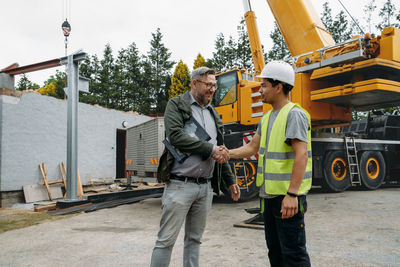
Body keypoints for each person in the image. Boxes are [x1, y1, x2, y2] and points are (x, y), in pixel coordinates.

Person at [151, 67, 241, 267]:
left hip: (205, 188)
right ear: (194, 83)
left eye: (214, 86)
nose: (212, 89)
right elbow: (176, 136)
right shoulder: (176, 105)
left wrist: (230, 180)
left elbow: (220, 147)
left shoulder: (213, 113)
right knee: (166, 241)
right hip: (179, 186)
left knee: (194, 240)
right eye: (208, 84)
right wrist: (210, 149)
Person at [229, 61, 312, 267]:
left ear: (279, 87)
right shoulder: (266, 118)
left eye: (264, 85)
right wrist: (226, 153)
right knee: (275, 254)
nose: (260, 90)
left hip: (287, 199)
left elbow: (301, 155)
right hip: (269, 199)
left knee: (294, 256)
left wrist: (292, 195)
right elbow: (252, 148)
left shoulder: (294, 114)